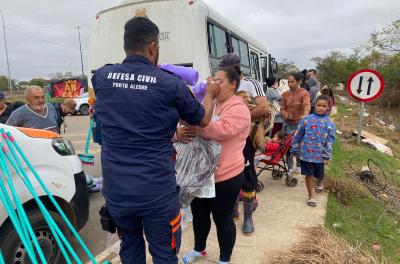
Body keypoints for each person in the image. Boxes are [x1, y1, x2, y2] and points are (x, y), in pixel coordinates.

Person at [92, 16, 220, 264]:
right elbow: (202, 119)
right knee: (164, 254)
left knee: (129, 249)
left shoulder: (103, 76)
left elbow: (128, 98)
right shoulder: (170, 85)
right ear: (153, 47)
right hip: (156, 194)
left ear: (125, 45)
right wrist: (211, 94)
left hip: (118, 194)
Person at [182, 67, 250, 264]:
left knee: (223, 218)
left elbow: (219, 131)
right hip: (201, 174)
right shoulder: (210, 103)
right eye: (213, 79)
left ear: (233, 84)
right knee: (199, 215)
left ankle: (224, 259)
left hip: (226, 175)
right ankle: (199, 249)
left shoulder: (239, 108)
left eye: (219, 81)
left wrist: (194, 123)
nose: (214, 84)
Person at [218, 53, 269, 236]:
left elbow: (263, 108)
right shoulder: (222, 84)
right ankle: (233, 209)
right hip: (227, 136)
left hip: (246, 137)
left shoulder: (251, 83)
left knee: (247, 174)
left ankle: (248, 218)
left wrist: (239, 118)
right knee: (228, 172)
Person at [290, 95, 335, 207]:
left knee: (319, 175)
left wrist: (327, 156)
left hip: (320, 156)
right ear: (315, 105)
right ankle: (311, 196)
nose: (321, 108)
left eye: (324, 106)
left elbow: (330, 141)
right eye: (319, 105)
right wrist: (294, 147)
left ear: (328, 107)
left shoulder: (329, 123)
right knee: (308, 175)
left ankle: (319, 183)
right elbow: (298, 134)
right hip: (306, 154)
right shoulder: (306, 119)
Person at [280, 72, 311, 175]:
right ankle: (289, 167)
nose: (289, 84)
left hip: (299, 124)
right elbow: (282, 108)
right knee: (287, 147)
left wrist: (305, 115)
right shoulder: (284, 94)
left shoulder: (304, 93)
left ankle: (298, 165)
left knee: (299, 146)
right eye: (288, 82)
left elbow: (307, 105)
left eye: (292, 81)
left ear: (299, 81)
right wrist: (286, 115)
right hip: (288, 124)